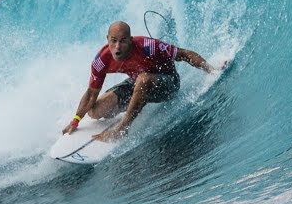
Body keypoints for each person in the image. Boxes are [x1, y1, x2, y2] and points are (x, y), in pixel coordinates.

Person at [63, 20, 224, 142]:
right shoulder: (102, 60)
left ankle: (122, 127)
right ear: (107, 39)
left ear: (131, 40)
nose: (117, 47)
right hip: (136, 83)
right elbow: (91, 94)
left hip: (167, 83)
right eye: (113, 40)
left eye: (123, 41)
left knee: (143, 78)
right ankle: (133, 105)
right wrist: (75, 121)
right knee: (95, 110)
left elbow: (185, 54)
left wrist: (211, 70)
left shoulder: (148, 46)